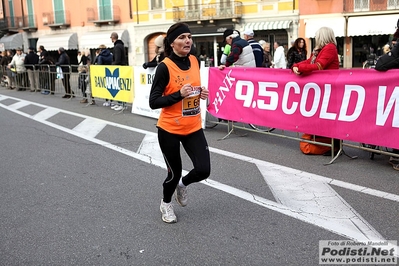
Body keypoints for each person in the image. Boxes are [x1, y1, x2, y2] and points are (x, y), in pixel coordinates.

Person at [149, 22, 211, 223]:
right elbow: (153, 101)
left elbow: (191, 88)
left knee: (203, 170)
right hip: (169, 129)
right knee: (173, 174)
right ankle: (166, 203)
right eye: (182, 37)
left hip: (192, 127)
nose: (187, 40)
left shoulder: (195, 60)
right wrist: (178, 95)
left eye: (189, 37)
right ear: (172, 43)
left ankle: (183, 184)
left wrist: (200, 92)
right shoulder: (164, 67)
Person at [110, 32, 127, 111]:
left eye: (111, 38)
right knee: (120, 86)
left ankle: (121, 104)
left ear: (113, 38)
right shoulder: (121, 45)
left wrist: (113, 64)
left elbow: (117, 60)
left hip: (118, 68)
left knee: (118, 86)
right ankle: (121, 103)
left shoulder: (117, 47)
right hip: (122, 67)